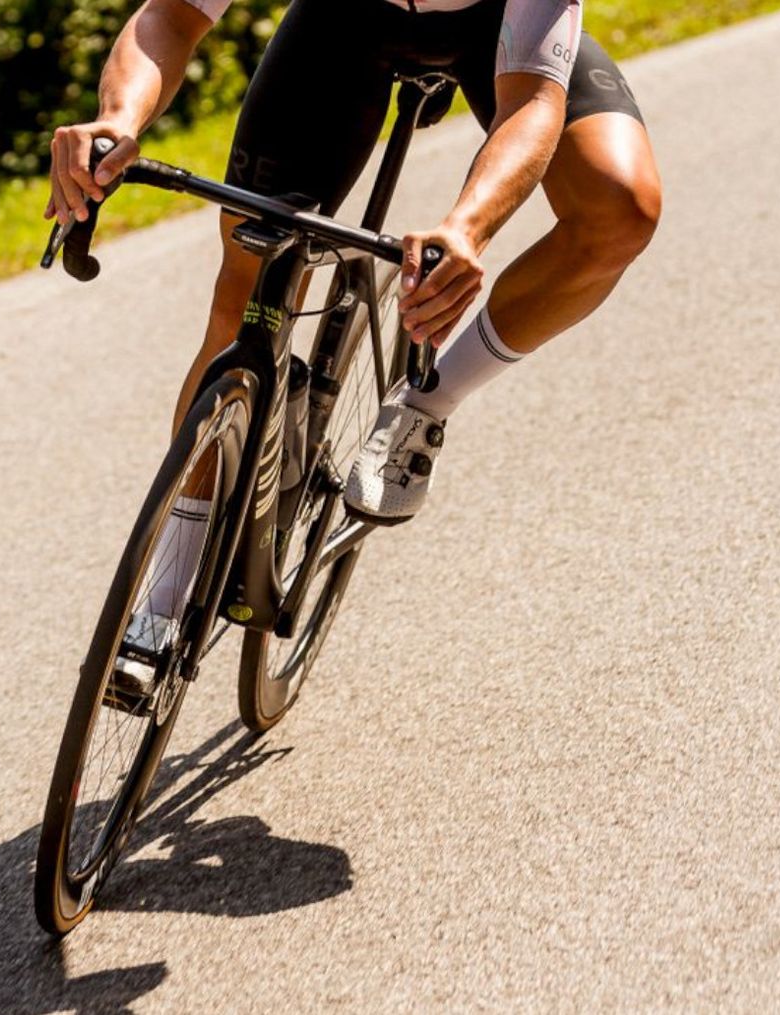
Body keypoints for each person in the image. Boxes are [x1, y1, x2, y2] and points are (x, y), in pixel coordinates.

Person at [46, 0, 661, 675]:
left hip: (499, 38)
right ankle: (166, 587)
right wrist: (118, 120)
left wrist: (466, 228)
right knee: (245, 290)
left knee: (621, 208)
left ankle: (424, 405)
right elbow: (170, 15)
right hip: (340, 27)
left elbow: (531, 101)